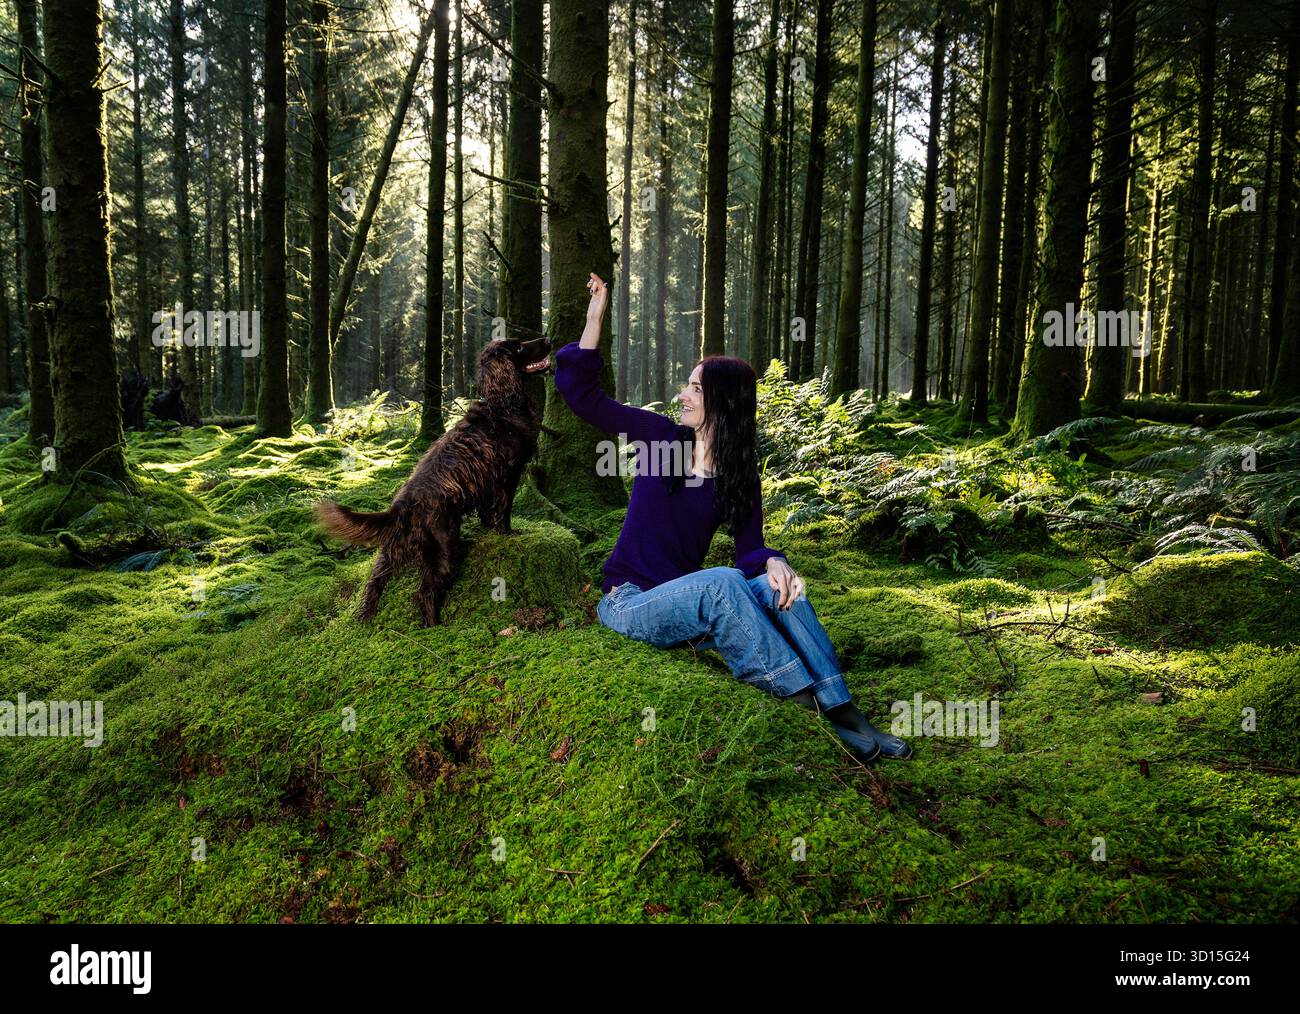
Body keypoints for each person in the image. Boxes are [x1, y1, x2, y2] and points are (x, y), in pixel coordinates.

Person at [552, 272, 911, 762]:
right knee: (722, 581)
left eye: (695, 389)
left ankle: (843, 708)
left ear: (723, 402)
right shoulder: (660, 439)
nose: (683, 395)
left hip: (688, 608)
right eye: (687, 386)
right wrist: (596, 315)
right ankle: (802, 705)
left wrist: (776, 562)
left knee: (781, 588)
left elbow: (749, 552)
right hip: (629, 602)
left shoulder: (737, 475)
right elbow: (583, 396)